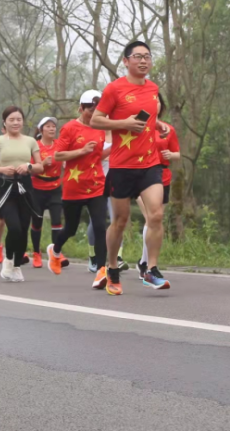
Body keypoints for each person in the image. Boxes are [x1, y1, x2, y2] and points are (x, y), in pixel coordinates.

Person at [91, 41, 170, 295]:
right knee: (120, 221)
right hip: (122, 166)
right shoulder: (114, 89)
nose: (144, 61)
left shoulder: (153, 88)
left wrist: (157, 126)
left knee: (156, 215)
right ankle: (112, 267)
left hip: (149, 163)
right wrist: (123, 123)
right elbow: (96, 120)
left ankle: (151, 269)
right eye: (138, 57)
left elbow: (148, 115)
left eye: (147, 56)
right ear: (126, 61)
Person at [47, 90, 109, 286]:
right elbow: (57, 156)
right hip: (74, 187)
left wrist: (118, 147)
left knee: (100, 226)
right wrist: (81, 151)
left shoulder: (101, 127)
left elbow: (97, 156)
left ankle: (101, 270)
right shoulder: (69, 128)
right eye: (90, 109)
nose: (94, 113)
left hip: (97, 185)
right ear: (80, 108)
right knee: (71, 229)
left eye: (98, 110)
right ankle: (55, 250)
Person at [0, 107, 44, 282]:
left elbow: (40, 166)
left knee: (23, 229)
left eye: (18, 119)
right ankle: (8, 260)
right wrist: (1, 169)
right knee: (14, 227)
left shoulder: (30, 141)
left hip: (25, 187)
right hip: (5, 187)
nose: (16, 123)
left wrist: (29, 167)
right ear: (4, 122)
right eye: (11, 119)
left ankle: (16, 266)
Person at [137, 92, 180, 279]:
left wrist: (171, 155)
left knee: (156, 220)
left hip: (163, 176)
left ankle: (144, 262)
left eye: (158, 102)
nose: (155, 104)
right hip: (142, 174)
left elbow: (178, 153)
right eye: (151, 101)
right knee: (150, 218)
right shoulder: (138, 125)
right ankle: (147, 264)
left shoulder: (168, 129)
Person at [29, 116, 64, 269]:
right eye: (48, 126)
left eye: (53, 126)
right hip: (37, 188)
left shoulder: (59, 145)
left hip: (55, 188)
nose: (52, 129)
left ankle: (56, 253)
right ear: (41, 129)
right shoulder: (35, 146)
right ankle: (36, 253)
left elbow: (66, 159)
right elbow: (29, 169)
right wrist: (41, 164)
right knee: (37, 222)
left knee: (57, 222)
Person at [85, 131, 114, 272]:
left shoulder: (119, 133)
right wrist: (115, 148)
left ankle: (116, 258)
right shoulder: (94, 135)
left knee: (117, 221)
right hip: (97, 183)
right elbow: (96, 157)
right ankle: (92, 255)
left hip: (116, 182)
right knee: (96, 223)